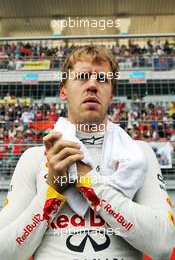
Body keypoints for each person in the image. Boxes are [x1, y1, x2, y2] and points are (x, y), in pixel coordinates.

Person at [0, 45, 174, 260]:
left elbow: (163, 245)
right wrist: (51, 190)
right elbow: (4, 252)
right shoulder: (34, 157)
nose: (92, 85)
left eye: (102, 79)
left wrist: (89, 182)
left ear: (111, 95)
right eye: (82, 77)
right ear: (63, 90)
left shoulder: (139, 153)